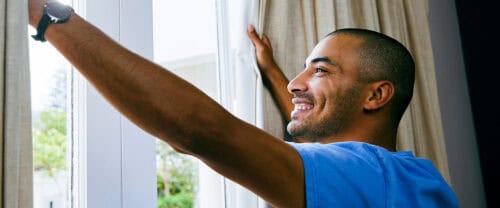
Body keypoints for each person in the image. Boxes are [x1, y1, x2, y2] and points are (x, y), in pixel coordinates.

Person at [28, 0, 458, 207]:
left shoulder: (379, 174)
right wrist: (272, 72)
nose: (296, 83)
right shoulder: (405, 182)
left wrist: (49, 17)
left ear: (377, 95)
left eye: (321, 70)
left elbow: (202, 131)